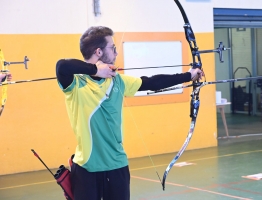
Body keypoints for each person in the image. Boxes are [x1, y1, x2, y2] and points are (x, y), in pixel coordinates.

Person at [55, 26, 203, 200]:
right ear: (99, 52)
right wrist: (96, 70)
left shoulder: (118, 81)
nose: (116, 53)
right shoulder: (75, 85)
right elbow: (62, 66)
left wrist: (188, 75)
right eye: (113, 48)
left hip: (117, 166)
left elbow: (153, 82)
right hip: (86, 168)